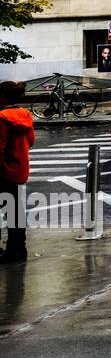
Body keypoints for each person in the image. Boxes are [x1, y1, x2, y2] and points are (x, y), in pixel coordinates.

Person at [0, 81, 34, 264]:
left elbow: (0, 147)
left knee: (10, 210)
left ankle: (13, 250)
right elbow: (31, 141)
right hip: (19, 168)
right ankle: (18, 248)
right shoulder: (25, 115)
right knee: (14, 211)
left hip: (4, 170)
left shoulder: (2, 117)